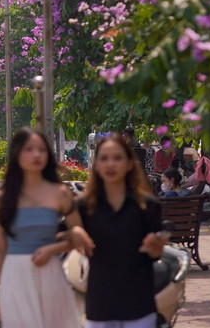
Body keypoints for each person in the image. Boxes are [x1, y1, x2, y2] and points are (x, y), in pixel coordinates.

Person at [0, 127, 83, 328]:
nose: (36, 155)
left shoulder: (60, 193)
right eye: (29, 149)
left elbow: (79, 237)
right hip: (15, 277)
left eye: (41, 149)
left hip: (50, 275)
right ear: (17, 154)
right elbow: (0, 249)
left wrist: (52, 249)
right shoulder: (2, 197)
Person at [70, 132, 168, 328]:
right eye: (104, 158)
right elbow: (62, 237)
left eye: (117, 158)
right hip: (100, 304)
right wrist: (75, 233)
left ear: (129, 163)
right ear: (96, 164)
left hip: (139, 304)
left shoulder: (147, 205)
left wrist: (156, 246)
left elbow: (156, 253)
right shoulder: (84, 205)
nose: (110, 164)